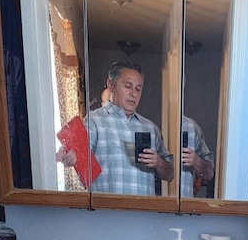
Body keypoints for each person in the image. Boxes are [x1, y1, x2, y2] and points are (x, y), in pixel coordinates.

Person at [57, 60, 174, 195]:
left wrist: (158, 163)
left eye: (138, 89)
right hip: (106, 212)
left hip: (143, 214)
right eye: (128, 86)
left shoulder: (150, 128)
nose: (133, 94)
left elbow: (170, 174)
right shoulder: (94, 121)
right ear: (111, 86)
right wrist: (69, 155)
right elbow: (76, 154)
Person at [180, 115, 215, 198]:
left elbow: (209, 173)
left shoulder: (191, 127)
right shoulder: (153, 127)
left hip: (186, 203)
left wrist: (196, 161)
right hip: (153, 204)